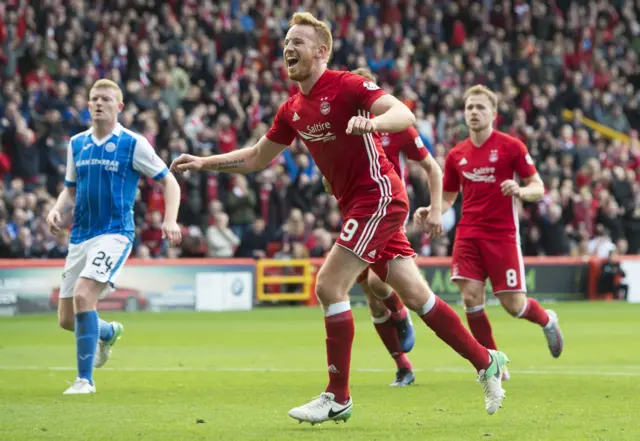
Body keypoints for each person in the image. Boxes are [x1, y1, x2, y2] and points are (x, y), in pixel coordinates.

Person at [171, 13, 509, 423]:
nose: (288, 48)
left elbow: (404, 114)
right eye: (286, 41)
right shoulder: (293, 109)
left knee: (329, 285)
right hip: (357, 206)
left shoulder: (348, 84)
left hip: (379, 196)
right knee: (419, 298)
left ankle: (338, 395)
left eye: (298, 41)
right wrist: (205, 162)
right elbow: (257, 157)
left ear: (322, 51)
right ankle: (486, 361)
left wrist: (373, 121)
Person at [415, 85, 564, 382]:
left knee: (514, 306)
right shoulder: (457, 154)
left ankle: (547, 319)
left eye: (480, 107)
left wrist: (520, 190)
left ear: (494, 114)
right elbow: (448, 198)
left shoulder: (511, 147)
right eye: (469, 107)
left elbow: (538, 187)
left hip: (502, 236)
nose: (473, 112)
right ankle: (493, 364)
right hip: (468, 235)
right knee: (471, 298)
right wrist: (432, 210)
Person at [46, 79, 182, 395]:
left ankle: (85, 381)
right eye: (94, 99)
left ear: (119, 107)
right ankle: (107, 332)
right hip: (80, 235)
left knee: (83, 296)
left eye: (106, 99)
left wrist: (170, 219)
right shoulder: (76, 143)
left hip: (115, 233)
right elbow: (70, 189)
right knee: (68, 319)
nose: (98, 104)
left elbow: (170, 182)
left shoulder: (133, 143)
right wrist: (56, 210)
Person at [320, 67, 444, 388]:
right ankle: (403, 366)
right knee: (371, 296)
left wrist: (436, 209)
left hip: (386, 210)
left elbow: (432, 167)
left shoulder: (394, 126)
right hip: (353, 214)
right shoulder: (339, 129)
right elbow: (327, 184)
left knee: (378, 282)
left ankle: (400, 313)